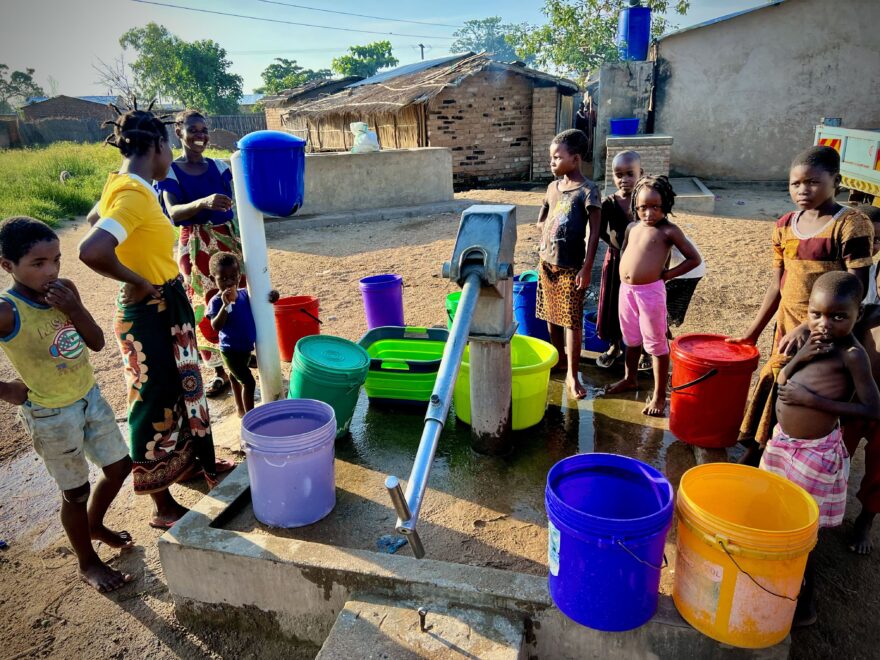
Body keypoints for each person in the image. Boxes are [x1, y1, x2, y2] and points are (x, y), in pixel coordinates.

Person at [79, 105, 233, 530]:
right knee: (152, 403)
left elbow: (96, 217)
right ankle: (161, 505)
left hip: (166, 304)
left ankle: (195, 466)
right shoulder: (132, 192)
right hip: (149, 310)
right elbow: (92, 249)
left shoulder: (125, 185)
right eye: (170, 147)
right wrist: (138, 280)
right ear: (160, 145)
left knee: (184, 388)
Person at [0, 217, 134, 592]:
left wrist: (74, 308)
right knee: (75, 491)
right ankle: (87, 562)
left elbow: (96, 343)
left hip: (89, 396)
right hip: (50, 414)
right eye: (38, 264)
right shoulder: (7, 311)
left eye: (56, 260)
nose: (52, 271)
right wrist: (8, 389)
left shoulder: (66, 290)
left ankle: (94, 525)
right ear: (7, 266)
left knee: (120, 466)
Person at [730, 146, 874, 464]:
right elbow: (777, 285)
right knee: (778, 382)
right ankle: (763, 447)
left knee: (814, 392)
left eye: (811, 182)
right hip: (788, 323)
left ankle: (802, 459)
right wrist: (751, 334)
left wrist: (811, 325)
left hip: (829, 327)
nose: (802, 190)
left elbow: (857, 286)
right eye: (795, 184)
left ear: (835, 181)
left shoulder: (850, 224)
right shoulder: (784, 224)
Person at [762, 271, 880, 625]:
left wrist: (811, 400)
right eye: (817, 314)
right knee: (777, 516)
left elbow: (873, 409)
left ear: (857, 314)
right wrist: (801, 355)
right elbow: (782, 380)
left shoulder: (852, 355)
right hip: (784, 444)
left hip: (814, 454)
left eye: (838, 316)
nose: (824, 324)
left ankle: (805, 606)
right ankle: (776, 577)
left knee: (802, 532)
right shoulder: (813, 341)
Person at [157, 109, 245, 399]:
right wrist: (203, 202)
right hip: (195, 246)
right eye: (193, 130)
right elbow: (173, 211)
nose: (200, 136)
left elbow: (244, 193)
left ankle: (239, 352)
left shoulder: (220, 167)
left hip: (227, 239)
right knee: (204, 303)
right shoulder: (172, 171)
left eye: (204, 130)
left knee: (237, 293)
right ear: (179, 132)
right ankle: (218, 371)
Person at [605, 175, 701, 416]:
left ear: (666, 205)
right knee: (631, 339)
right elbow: (627, 251)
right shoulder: (631, 227)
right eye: (643, 207)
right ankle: (630, 378)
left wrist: (667, 275)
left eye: (655, 207)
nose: (648, 213)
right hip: (626, 292)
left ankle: (659, 396)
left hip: (651, 293)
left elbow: (693, 259)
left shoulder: (669, 231)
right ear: (635, 206)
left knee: (656, 343)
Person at [535, 129, 602, 399]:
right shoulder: (553, 187)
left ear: (575, 159)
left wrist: (586, 268)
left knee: (572, 321)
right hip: (547, 263)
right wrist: (547, 232)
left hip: (571, 266)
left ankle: (573, 377)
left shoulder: (588, 191)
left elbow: (594, 234)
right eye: (551, 157)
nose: (552, 162)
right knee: (552, 315)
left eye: (557, 157)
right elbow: (543, 217)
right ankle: (560, 361)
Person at [206, 253, 278, 417]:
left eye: (233, 277)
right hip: (230, 351)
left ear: (240, 275)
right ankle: (250, 418)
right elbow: (216, 326)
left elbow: (263, 299)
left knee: (234, 376)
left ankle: (239, 408)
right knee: (249, 382)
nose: (230, 282)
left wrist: (273, 296)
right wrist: (225, 305)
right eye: (223, 279)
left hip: (245, 349)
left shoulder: (245, 294)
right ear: (213, 279)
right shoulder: (217, 301)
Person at [595, 150, 640, 369]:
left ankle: (644, 351)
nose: (624, 179)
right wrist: (616, 245)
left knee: (641, 308)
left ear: (641, 173)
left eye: (630, 173)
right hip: (615, 263)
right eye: (618, 174)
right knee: (614, 305)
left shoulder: (647, 202)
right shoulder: (609, 204)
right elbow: (600, 232)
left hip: (643, 265)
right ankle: (615, 345)